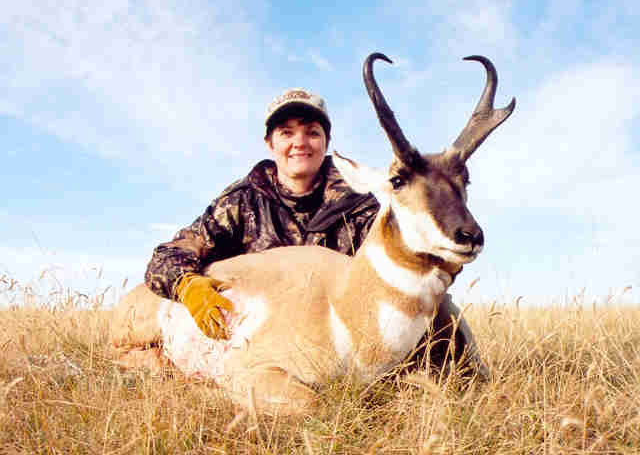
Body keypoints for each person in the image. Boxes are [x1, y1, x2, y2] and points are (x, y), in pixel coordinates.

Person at [136, 88, 483, 374]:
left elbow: (396, 272)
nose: (299, 142)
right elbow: (167, 257)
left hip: (324, 332)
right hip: (252, 323)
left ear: (326, 142)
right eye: (286, 133)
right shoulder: (241, 201)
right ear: (270, 144)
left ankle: (472, 383)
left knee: (438, 309)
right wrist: (187, 285)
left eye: (311, 132)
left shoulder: (358, 204)